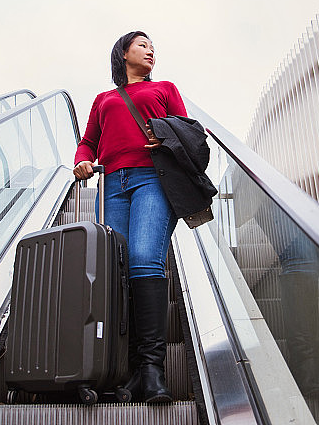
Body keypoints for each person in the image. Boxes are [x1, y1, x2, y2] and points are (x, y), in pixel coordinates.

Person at [73, 31, 186, 403]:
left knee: (142, 258)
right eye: (142, 44)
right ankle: (120, 369)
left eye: (153, 45)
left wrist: (167, 138)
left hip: (152, 179)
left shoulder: (165, 89)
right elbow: (88, 141)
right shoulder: (103, 99)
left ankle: (152, 370)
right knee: (112, 270)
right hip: (111, 186)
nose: (150, 49)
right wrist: (82, 162)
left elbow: (188, 133)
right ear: (123, 53)